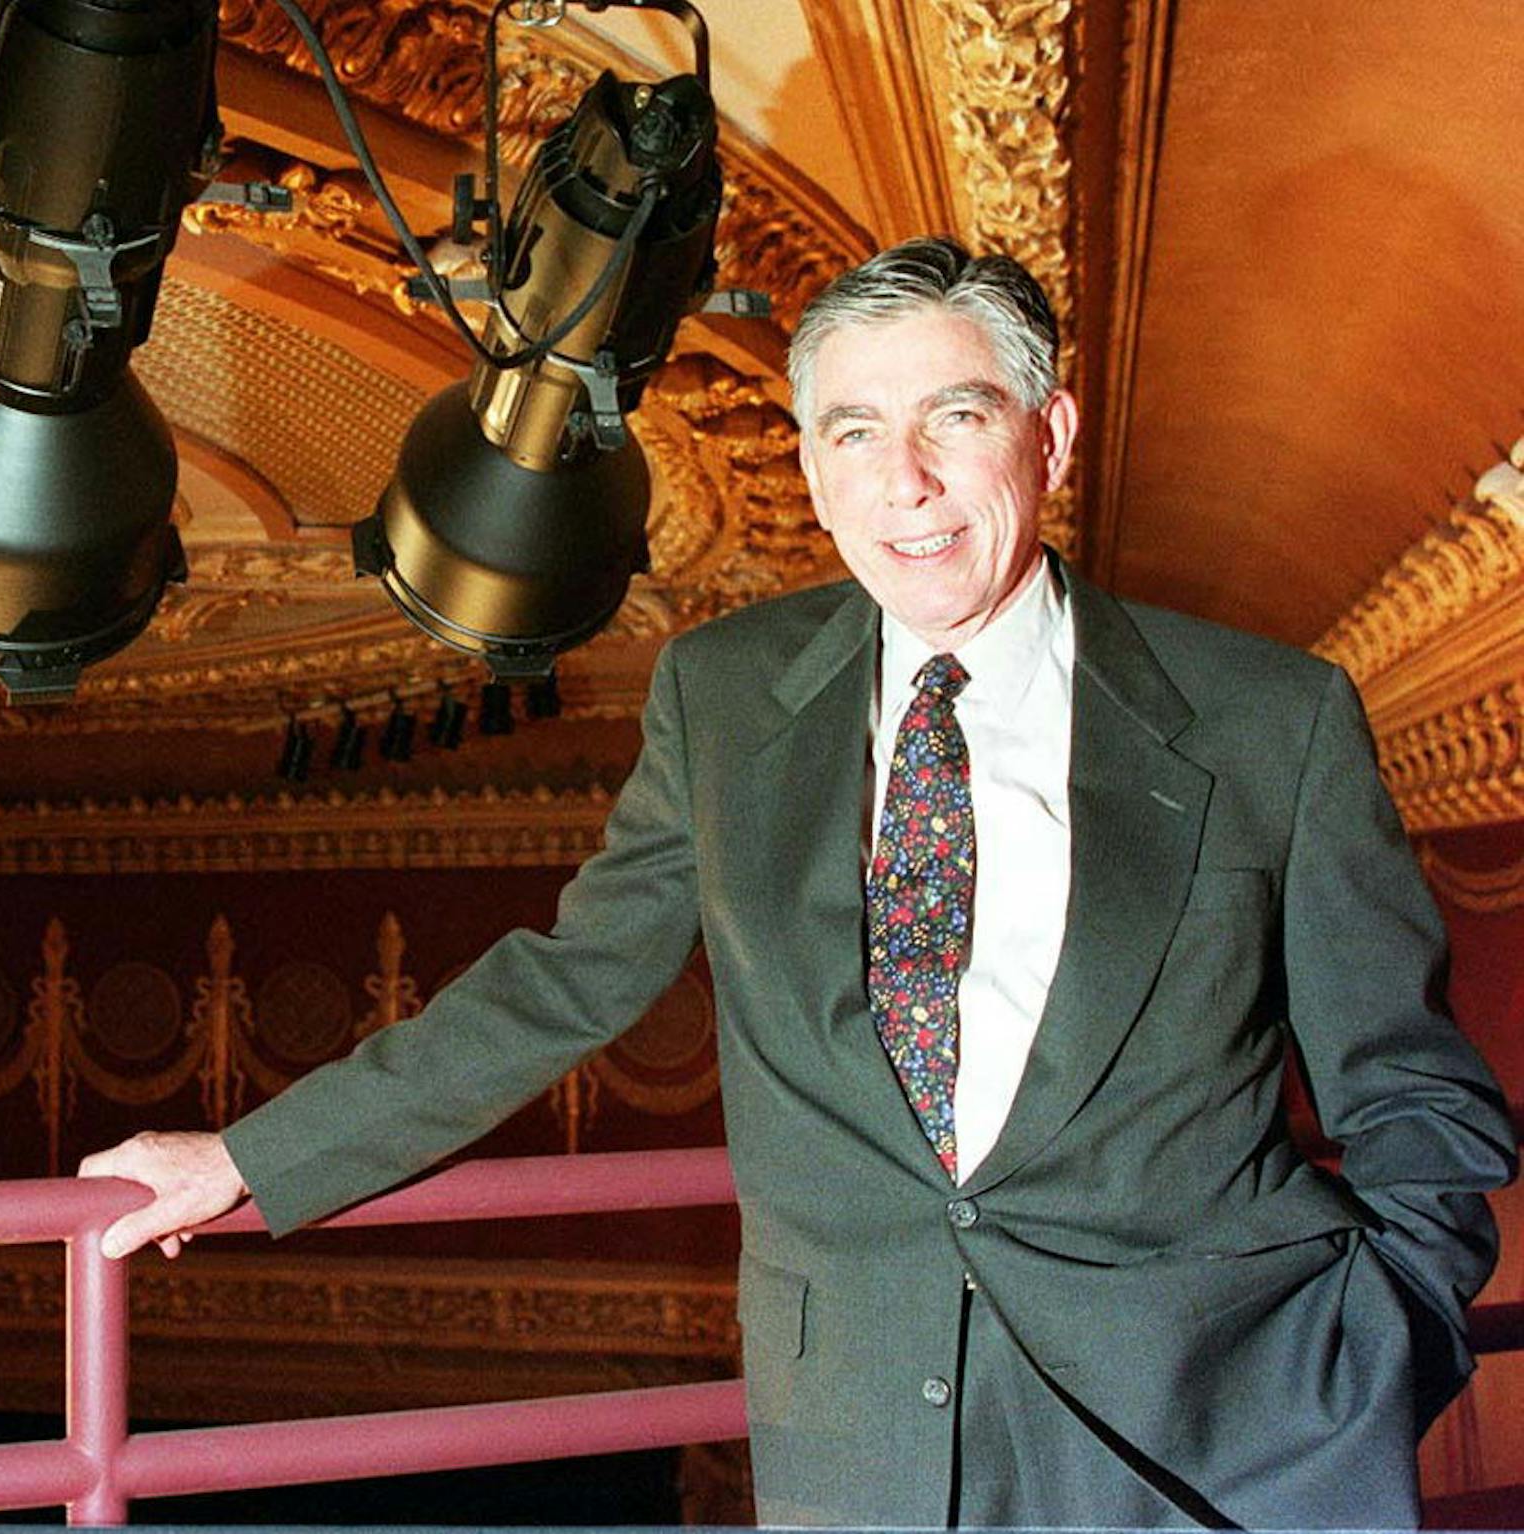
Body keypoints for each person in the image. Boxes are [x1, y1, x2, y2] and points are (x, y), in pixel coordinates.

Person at [76, 237, 1517, 1528]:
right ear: (814, 465)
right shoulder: (726, 696)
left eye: (957, 417)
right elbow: (567, 980)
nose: (910, 484)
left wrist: (1378, 1349)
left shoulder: (1273, 718)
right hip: (867, 1451)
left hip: (1227, 1442)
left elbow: (1414, 1093)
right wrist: (253, 1159)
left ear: (1049, 436)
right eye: (856, 431)